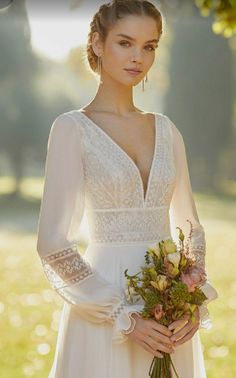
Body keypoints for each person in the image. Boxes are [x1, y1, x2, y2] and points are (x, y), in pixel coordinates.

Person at [36, 1, 218, 377]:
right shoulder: (72, 129)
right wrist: (124, 317)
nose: (138, 57)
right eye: (125, 43)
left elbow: (191, 227)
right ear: (97, 44)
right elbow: (52, 242)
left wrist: (191, 301)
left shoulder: (168, 130)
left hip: (170, 315)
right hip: (104, 309)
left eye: (149, 46)